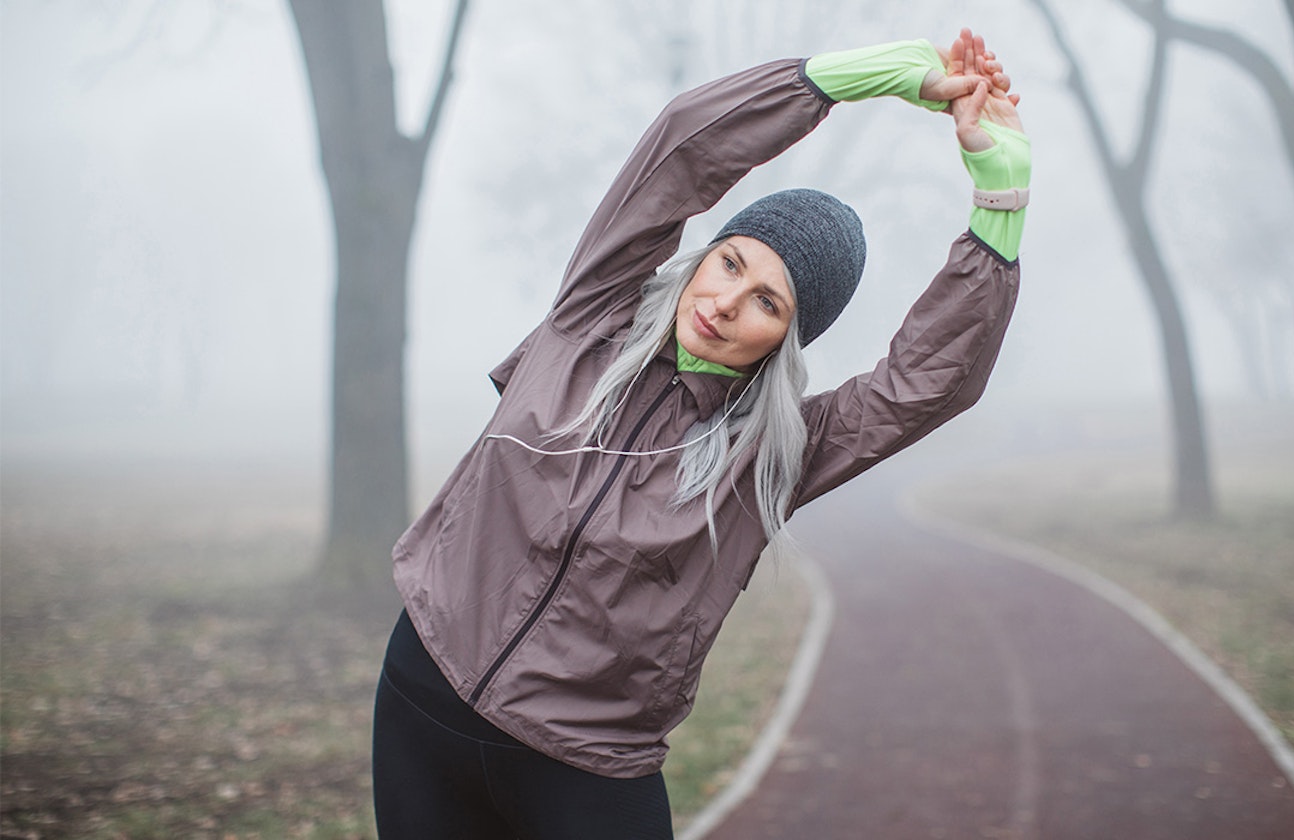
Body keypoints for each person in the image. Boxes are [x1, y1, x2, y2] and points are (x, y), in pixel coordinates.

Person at [372, 26, 1030, 839]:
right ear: (704, 256)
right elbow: (682, 151)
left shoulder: (777, 453)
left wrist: (999, 195)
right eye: (730, 263)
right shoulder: (592, 317)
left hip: (584, 762)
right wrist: (847, 79)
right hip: (422, 694)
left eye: (768, 301)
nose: (726, 301)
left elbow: (925, 384)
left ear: (788, 338)